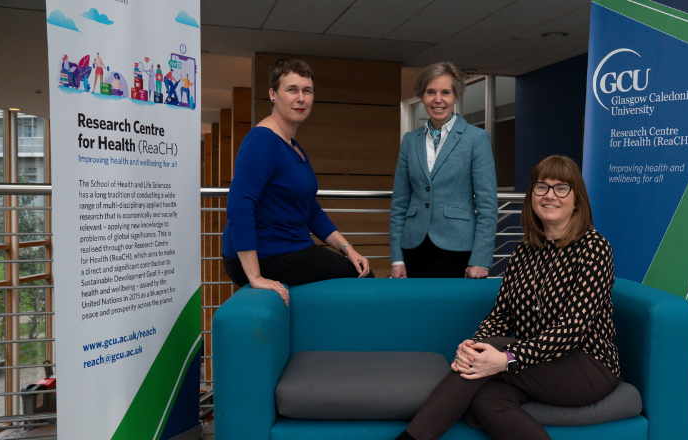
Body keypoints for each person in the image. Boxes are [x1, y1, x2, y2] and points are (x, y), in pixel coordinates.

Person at [395, 155, 621, 440]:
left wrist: (508, 359)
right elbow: (501, 316)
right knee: (486, 399)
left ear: (577, 200)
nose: (550, 195)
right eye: (541, 187)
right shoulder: (522, 253)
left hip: (587, 366)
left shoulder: (594, 248)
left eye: (561, 188)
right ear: (532, 196)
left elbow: (572, 329)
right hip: (537, 365)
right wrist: (472, 348)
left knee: (491, 351)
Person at [222, 58, 372, 306]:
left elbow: (310, 209)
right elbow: (239, 207)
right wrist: (256, 277)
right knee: (362, 279)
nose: (301, 98)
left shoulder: (292, 145)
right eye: (292, 90)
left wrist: (348, 248)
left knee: (359, 269)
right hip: (268, 255)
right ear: (273, 94)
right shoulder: (263, 141)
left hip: (289, 248)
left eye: (307, 91)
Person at [389, 62, 497, 279]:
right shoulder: (410, 141)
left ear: (456, 96)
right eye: (431, 92)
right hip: (414, 248)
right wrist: (397, 258)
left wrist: (480, 259)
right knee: (416, 309)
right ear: (422, 96)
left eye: (445, 92)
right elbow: (399, 203)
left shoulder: (476, 138)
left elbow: (487, 205)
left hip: (458, 248)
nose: (438, 99)